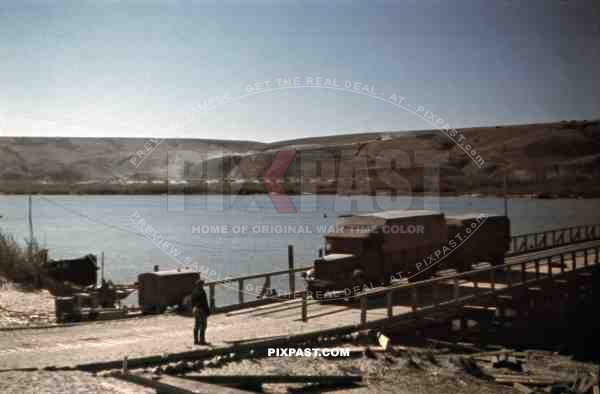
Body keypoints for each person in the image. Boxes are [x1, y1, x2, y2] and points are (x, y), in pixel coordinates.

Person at [191, 278, 210, 345]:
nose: (203, 285)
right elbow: (204, 302)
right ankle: (202, 341)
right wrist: (207, 311)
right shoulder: (202, 292)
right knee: (203, 325)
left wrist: (193, 309)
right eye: (202, 284)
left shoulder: (194, 292)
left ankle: (195, 341)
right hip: (201, 310)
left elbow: (192, 302)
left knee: (196, 325)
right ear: (201, 285)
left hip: (195, 309)